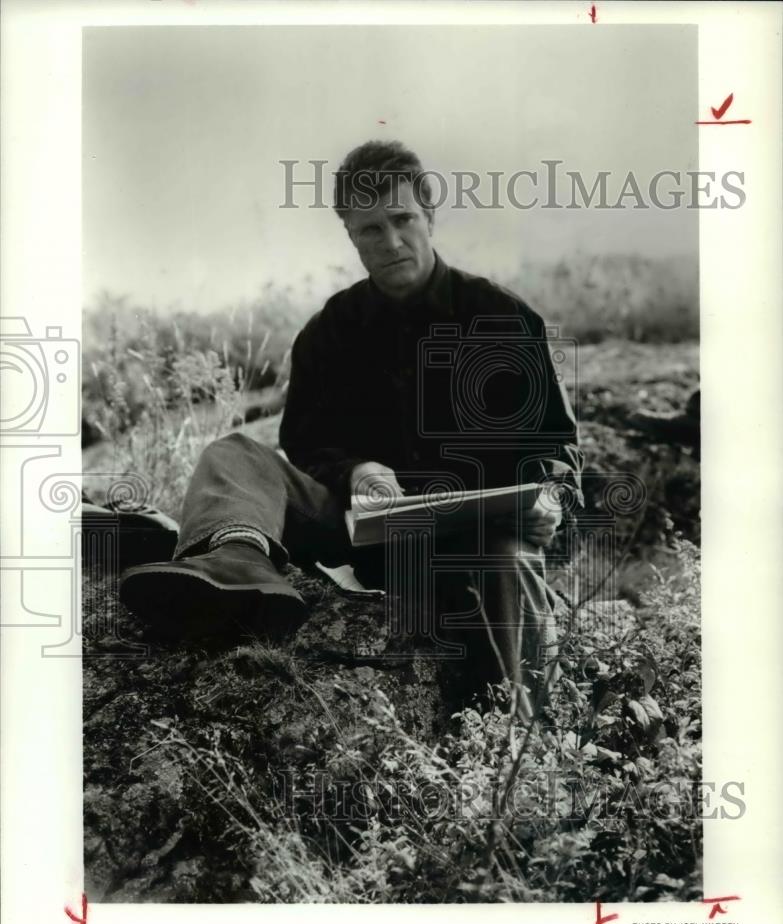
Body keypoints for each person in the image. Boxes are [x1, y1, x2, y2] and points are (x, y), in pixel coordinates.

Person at [120, 140, 583, 714]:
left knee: (507, 556)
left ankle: (520, 734)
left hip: (476, 539)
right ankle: (233, 565)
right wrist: (357, 469)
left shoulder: (504, 318)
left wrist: (550, 499)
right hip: (363, 533)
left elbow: (555, 447)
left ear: (429, 215)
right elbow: (306, 444)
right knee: (236, 451)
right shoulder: (328, 332)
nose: (390, 243)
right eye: (369, 230)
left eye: (402, 219)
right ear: (350, 235)